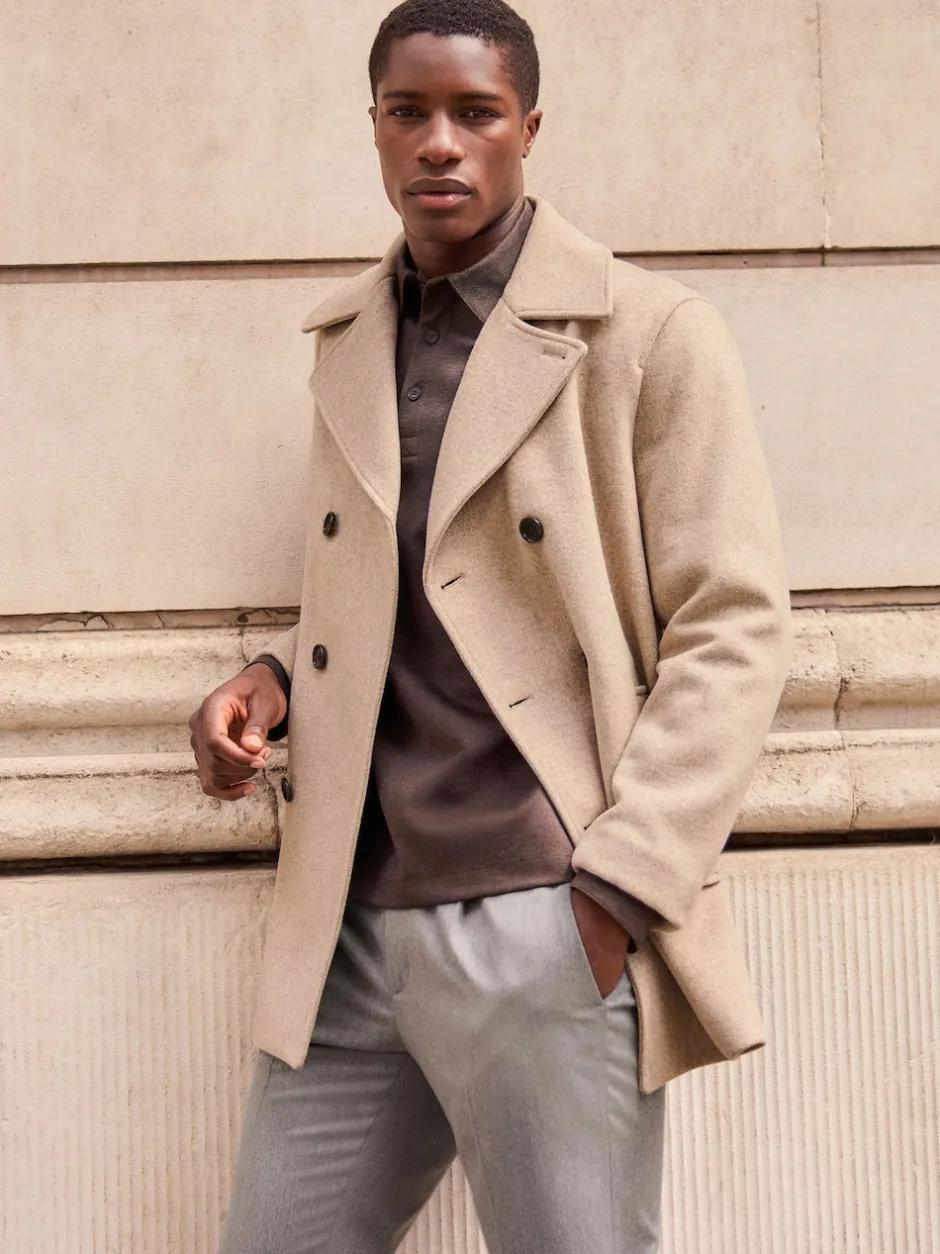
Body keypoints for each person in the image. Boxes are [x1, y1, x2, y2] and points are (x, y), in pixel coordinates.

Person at [189, 1, 792, 1249]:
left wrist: (617, 888)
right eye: (408, 112)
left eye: (475, 112)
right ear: (373, 128)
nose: (439, 143)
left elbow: (732, 625)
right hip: (351, 922)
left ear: (528, 127)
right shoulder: (351, 340)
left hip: (538, 911)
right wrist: (273, 679)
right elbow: (400, 591)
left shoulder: (647, 334)